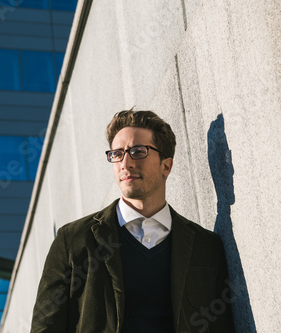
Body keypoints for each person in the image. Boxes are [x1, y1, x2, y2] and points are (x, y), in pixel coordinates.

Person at [30, 110, 235, 332]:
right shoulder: (73, 240)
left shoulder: (206, 245)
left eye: (138, 151)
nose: (125, 163)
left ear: (166, 165)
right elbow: (45, 327)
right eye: (117, 154)